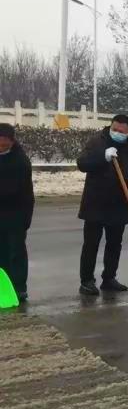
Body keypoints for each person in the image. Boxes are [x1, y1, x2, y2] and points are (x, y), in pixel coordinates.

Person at [77, 114, 128, 296]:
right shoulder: (98, 142)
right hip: (95, 201)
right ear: (110, 126)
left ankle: (109, 278)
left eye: (121, 131)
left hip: (119, 202)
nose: (117, 133)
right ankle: (87, 281)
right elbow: (82, 163)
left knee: (115, 243)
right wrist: (103, 157)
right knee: (91, 244)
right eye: (114, 129)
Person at [0, 123, 33, 304]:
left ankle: (20, 287)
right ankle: (4, 285)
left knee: (16, 252)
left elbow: (12, 191)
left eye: (4, 143)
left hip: (16, 214)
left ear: (12, 142)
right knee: (1, 252)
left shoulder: (20, 161)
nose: (1, 146)